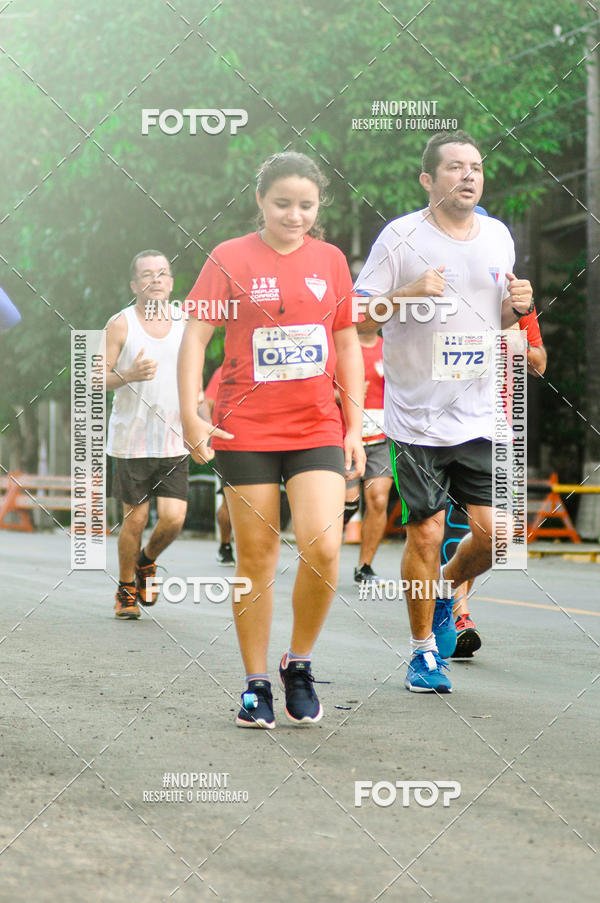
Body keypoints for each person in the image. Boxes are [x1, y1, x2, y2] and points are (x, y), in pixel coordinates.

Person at [178, 151, 365, 728]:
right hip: (246, 427)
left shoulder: (331, 260)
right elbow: (195, 336)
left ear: (318, 207)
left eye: (306, 206)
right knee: (256, 557)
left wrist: (354, 423)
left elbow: (348, 342)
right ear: (260, 200)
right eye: (282, 204)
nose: (294, 215)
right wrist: (190, 414)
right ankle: (255, 683)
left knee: (324, 546)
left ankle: (299, 664)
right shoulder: (228, 257)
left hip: (316, 425)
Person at [355, 130, 534, 693]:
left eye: (476, 166)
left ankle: (446, 590)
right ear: (428, 179)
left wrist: (516, 309)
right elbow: (358, 318)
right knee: (426, 533)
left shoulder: (499, 236)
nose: (469, 175)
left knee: (500, 537)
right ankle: (421, 653)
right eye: (455, 167)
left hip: (482, 414)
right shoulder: (400, 237)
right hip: (415, 418)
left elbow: (500, 320)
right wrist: (407, 291)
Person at [446, 306, 547, 657]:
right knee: (446, 527)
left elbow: (538, 363)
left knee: (486, 532)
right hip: (439, 429)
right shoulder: (450, 294)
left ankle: (450, 603)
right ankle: (458, 615)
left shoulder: (519, 301)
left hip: (495, 433)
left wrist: (518, 343)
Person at [105, 251, 189, 619]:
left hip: (175, 438)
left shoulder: (186, 320)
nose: (155, 279)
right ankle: (125, 589)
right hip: (132, 439)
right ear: (134, 285)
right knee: (135, 519)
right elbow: (95, 377)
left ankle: (146, 561)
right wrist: (130, 375)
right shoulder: (120, 324)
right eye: (147, 275)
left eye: (163, 273)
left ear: (171, 282)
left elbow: (194, 376)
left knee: (173, 519)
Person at [343, 324, 394, 586]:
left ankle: (365, 566)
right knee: (347, 500)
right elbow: (317, 388)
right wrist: (344, 396)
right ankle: (323, 547)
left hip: (382, 437)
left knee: (378, 498)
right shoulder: (340, 344)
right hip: (346, 436)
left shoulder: (391, 347)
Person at [203, 364, 235, 565]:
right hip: (229, 444)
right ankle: (225, 546)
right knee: (228, 500)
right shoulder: (224, 370)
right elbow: (207, 403)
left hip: (263, 441)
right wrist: (208, 430)